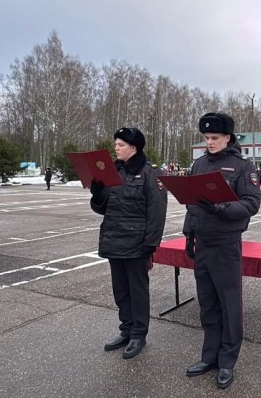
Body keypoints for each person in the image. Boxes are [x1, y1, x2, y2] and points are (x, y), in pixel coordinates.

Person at [183, 112, 260, 390]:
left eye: (215, 137)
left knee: (229, 304)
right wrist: (189, 235)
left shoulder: (242, 166)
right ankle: (209, 356)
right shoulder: (199, 164)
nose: (210, 142)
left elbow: (251, 203)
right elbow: (191, 204)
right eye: (206, 138)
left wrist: (220, 208)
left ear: (228, 137)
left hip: (226, 244)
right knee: (208, 303)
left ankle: (227, 360)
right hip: (203, 243)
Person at [90, 127, 167, 360]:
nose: (116, 148)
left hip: (137, 243)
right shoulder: (114, 171)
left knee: (137, 291)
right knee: (121, 291)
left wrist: (151, 243)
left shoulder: (150, 173)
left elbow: (157, 211)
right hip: (114, 239)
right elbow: (103, 208)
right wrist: (97, 193)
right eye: (116, 143)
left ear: (134, 147)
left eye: (121, 144)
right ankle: (126, 329)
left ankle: (139, 334)